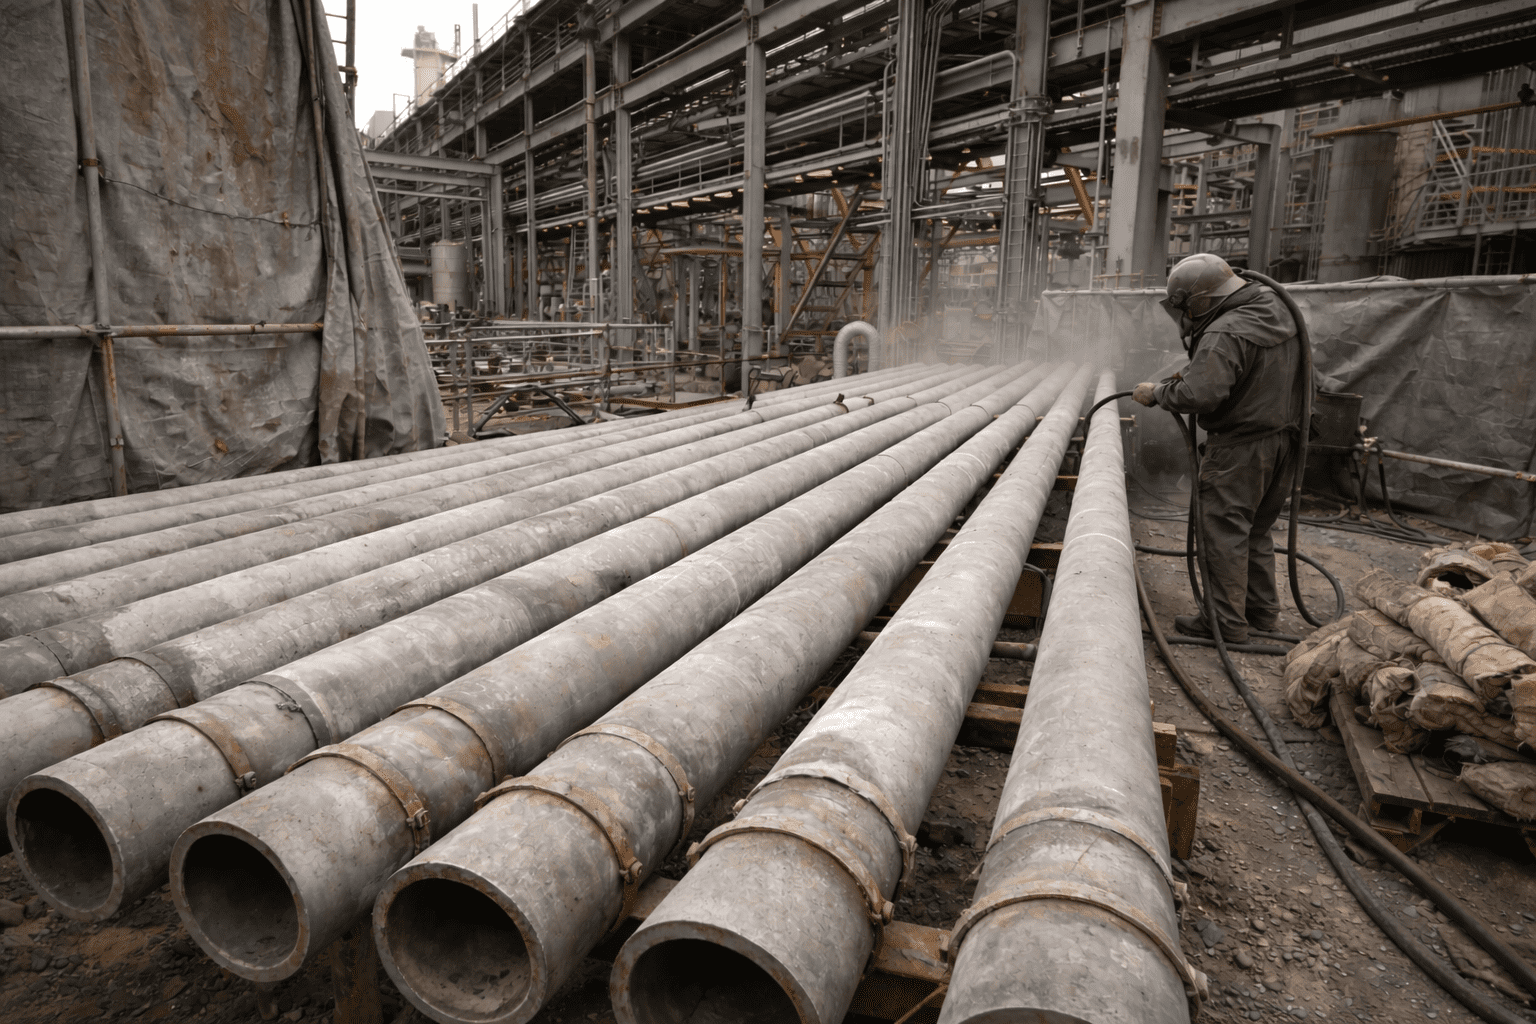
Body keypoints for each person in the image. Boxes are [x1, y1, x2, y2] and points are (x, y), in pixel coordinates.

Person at [1132, 253, 1308, 643]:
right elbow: (1244, 369)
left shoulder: (1224, 330)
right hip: (1284, 439)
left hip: (1241, 449)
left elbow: (1201, 393)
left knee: (1223, 530)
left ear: (1198, 301)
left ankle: (1224, 622)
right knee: (1255, 529)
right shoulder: (1272, 306)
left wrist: (1159, 392)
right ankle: (1261, 613)